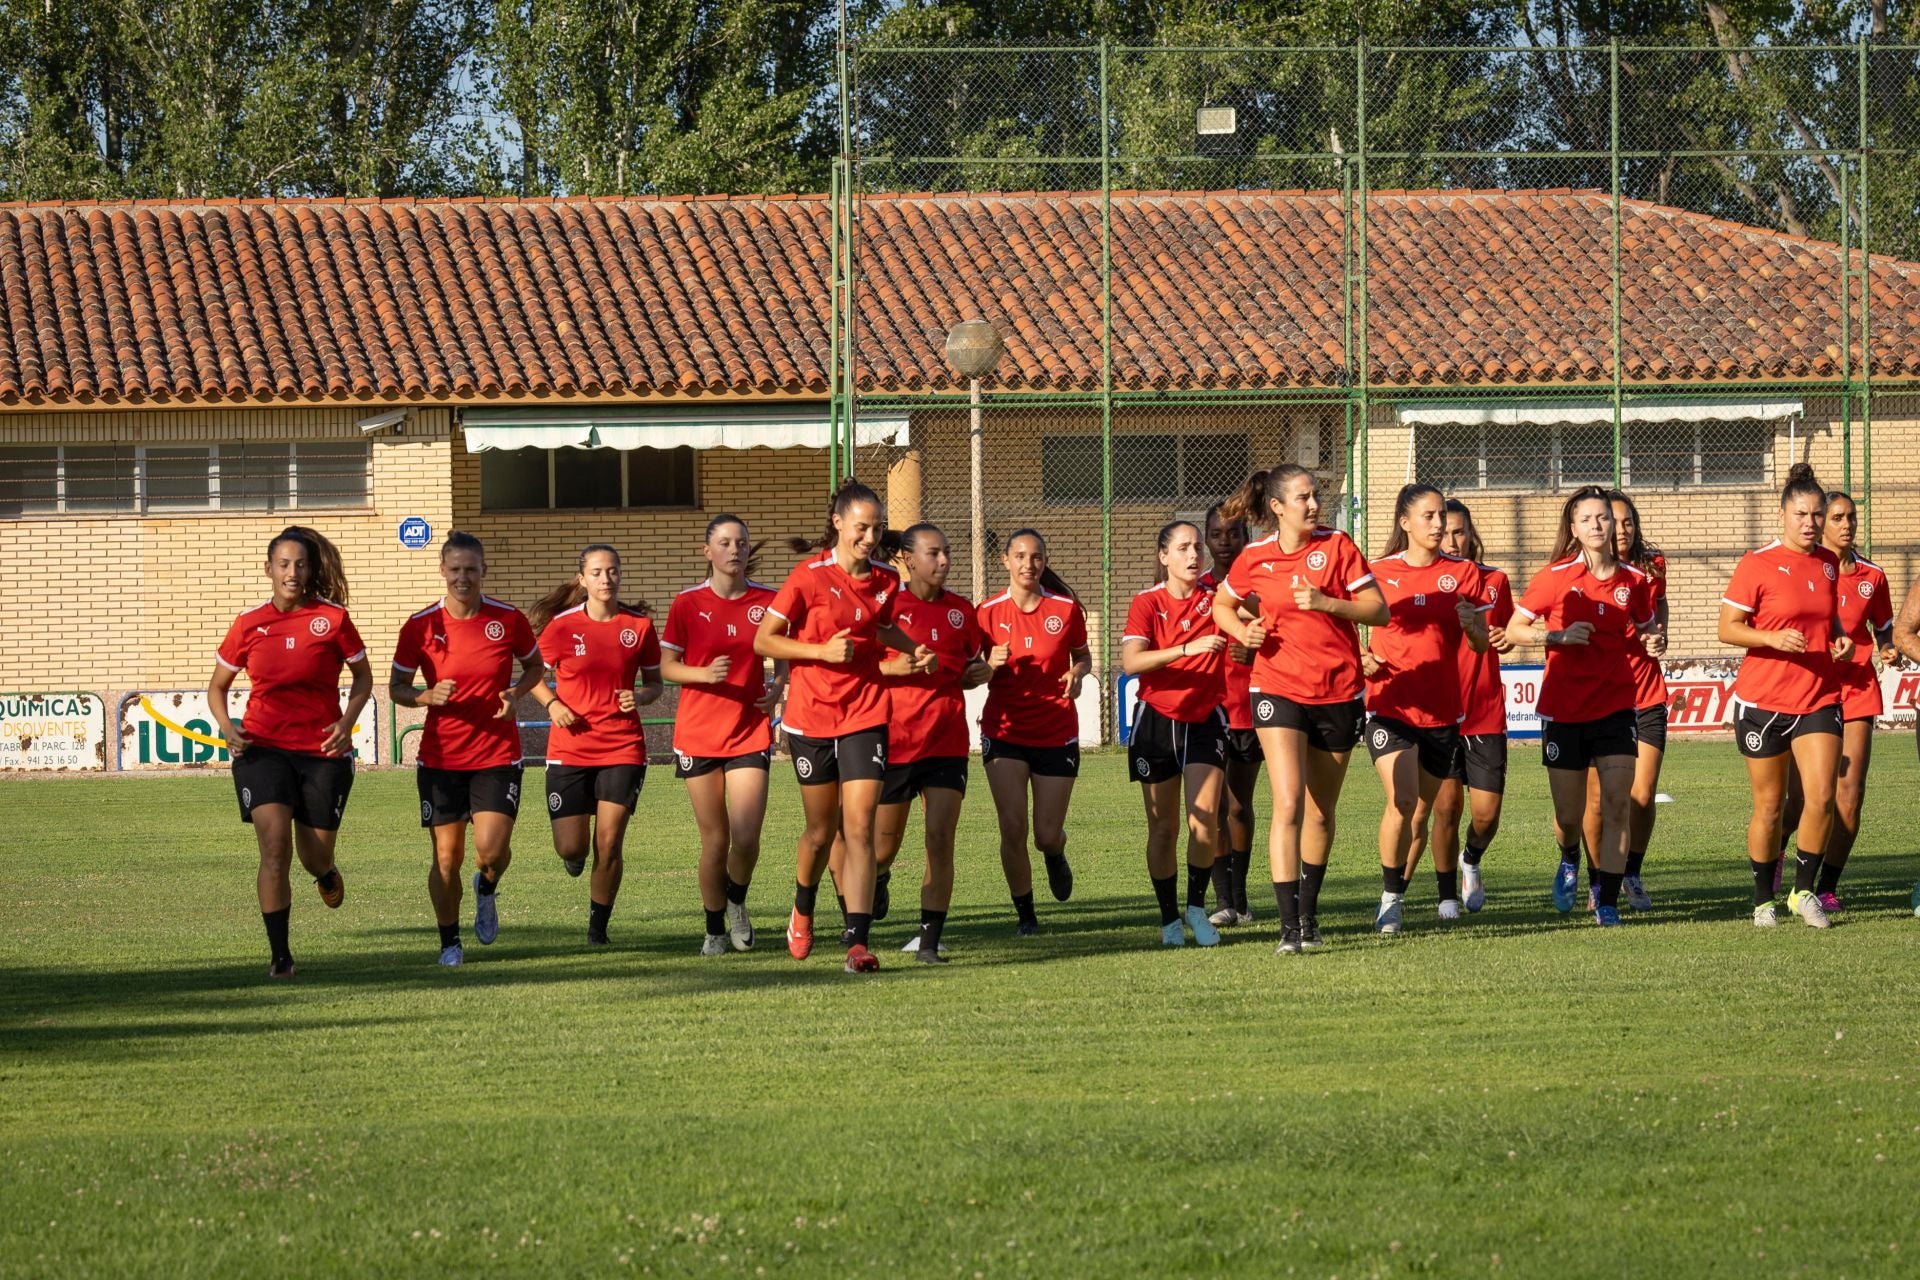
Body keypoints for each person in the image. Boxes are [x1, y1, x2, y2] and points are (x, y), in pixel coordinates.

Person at [754, 478, 934, 973]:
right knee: (819, 830)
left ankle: (857, 940)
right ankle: (803, 904)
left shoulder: (885, 580)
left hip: (866, 714)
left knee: (860, 829)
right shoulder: (806, 577)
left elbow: (877, 624)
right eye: (861, 527)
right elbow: (764, 642)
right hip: (811, 717)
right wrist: (819, 651)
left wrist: (908, 646)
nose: (870, 538)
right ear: (838, 523)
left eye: (877, 529)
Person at [1211, 464, 1387, 954]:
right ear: (1278, 507)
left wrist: (1327, 604)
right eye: (1304, 497)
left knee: (1320, 812)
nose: (1314, 504)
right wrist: (1241, 631)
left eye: (1317, 496)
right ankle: (1289, 930)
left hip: (1337, 692)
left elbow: (1379, 611)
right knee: (1286, 802)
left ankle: (1308, 916)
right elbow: (1222, 606)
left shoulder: (1339, 547)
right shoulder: (1254, 557)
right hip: (1276, 689)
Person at [208, 526, 372, 979]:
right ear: (269, 570)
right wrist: (227, 728)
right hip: (263, 750)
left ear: (311, 569)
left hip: (322, 751)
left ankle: (325, 873)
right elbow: (217, 688)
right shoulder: (248, 623)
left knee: (312, 856)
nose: (292, 572)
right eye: (283, 564)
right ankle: (281, 957)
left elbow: (363, 679)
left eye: (300, 564)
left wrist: (346, 723)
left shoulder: (333, 619)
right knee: (274, 848)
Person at [1504, 486, 1659, 927]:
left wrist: (1655, 640)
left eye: (1603, 517)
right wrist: (1555, 637)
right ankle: (1570, 855)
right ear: (1572, 528)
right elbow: (1515, 629)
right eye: (1586, 519)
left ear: (1613, 524)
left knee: (1616, 804)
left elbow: (1648, 629)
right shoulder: (1554, 577)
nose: (1596, 524)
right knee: (1569, 816)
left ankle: (1606, 900)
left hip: (1616, 708)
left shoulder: (1634, 580)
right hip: (1565, 711)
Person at [389, 532, 545, 966]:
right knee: (445, 857)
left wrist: (516, 693)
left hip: (497, 754)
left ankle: (488, 888)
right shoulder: (420, 626)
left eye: (471, 569)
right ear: (442, 571)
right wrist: (424, 697)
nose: (463, 577)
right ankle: (449, 943)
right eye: (455, 569)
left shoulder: (508, 619)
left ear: (483, 572)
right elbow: (396, 688)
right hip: (441, 758)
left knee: (489, 853)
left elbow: (535, 666)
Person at [1717, 465, 1855, 928]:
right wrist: (1772, 639)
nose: (1811, 523)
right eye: (1801, 514)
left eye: (1818, 514)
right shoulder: (1756, 562)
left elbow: (1828, 620)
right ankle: (1762, 900)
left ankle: (1803, 892)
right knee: (1771, 807)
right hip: (1763, 701)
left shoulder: (1828, 563)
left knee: (1820, 798)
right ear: (1783, 514)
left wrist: (1841, 639)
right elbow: (1727, 629)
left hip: (1819, 696)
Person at [1361, 485, 1489, 930]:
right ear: (1405, 523)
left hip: (1442, 713)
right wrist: (1359, 656)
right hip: (1389, 705)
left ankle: (1403, 888)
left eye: (1441, 517)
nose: (1438, 525)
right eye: (1429, 516)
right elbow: (1338, 621)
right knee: (1400, 799)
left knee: (1419, 812)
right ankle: (1389, 899)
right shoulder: (1376, 571)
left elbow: (1479, 641)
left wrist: (1474, 630)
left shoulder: (1465, 573)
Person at [659, 515, 784, 956]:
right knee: (715, 839)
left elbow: (783, 649)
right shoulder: (687, 603)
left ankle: (736, 902)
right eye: (725, 543)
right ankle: (713, 929)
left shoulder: (769, 601)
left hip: (749, 731)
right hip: (698, 734)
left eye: (742, 543)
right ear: (707, 551)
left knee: (746, 837)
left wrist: (779, 685)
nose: (735, 550)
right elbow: (667, 667)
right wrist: (702, 674)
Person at [529, 544, 663, 947]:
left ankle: (597, 928)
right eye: (598, 572)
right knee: (571, 846)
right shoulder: (562, 626)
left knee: (609, 842)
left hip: (622, 748)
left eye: (613, 571)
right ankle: (574, 857)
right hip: (569, 748)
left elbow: (656, 684)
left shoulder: (638, 626)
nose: (606, 579)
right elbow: (532, 673)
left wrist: (639, 697)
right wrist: (552, 703)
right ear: (582, 579)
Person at [871, 523, 990, 963]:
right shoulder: (887, 607)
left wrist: (978, 674)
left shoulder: (962, 610)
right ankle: (878, 876)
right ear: (907, 558)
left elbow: (969, 666)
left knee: (940, 837)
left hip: (947, 741)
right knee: (884, 848)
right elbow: (864, 667)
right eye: (933, 553)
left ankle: (929, 940)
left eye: (947, 553)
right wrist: (896, 669)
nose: (942, 561)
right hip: (895, 740)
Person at [1774, 489, 1896, 915]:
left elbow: (1884, 626)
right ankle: (1778, 856)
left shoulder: (1872, 575)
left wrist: (1886, 647)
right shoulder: (1807, 569)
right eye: (1838, 517)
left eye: (1851, 518)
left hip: (1858, 688)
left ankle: (1825, 885)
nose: (1847, 525)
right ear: (1822, 523)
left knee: (1849, 794)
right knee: (1800, 799)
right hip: (1810, 689)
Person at [978, 528, 1093, 936]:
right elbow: (968, 673)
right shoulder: (987, 612)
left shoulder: (1065, 609)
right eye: (1021, 556)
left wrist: (1077, 674)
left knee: (1045, 834)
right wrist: (989, 663)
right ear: (1005, 562)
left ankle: (1055, 853)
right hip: (1004, 731)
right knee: (1012, 825)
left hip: (1055, 731)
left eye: (1037, 557)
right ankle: (1026, 915)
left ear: (1044, 562)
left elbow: (1083, 655)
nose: (1029, 564)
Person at [1121, 520, 1228, 947]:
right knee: (1163, 829)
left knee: (1204, 824)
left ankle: (1197, 909)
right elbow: (1131, 662)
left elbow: (1255, 615)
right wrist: (1186, 649)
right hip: (1157, 722)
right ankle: (1169, 919)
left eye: (1197, 546)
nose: (1193, 554)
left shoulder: (1216, 598)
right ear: (1163, 556)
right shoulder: (1147, 602)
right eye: (1183, 547)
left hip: (1205, 719)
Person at [1407, 499, 1513, 914]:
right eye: (1444, 529)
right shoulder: (1423, 580)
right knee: (1445, 808)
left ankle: (1471, 859)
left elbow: (1506, 630)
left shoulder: (1494, 582)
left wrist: (1505, 635)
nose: (1450, 538)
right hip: (1440, 710)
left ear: (1471, 535)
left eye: (1459, 531)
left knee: (1486, 815)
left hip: (1484, 710)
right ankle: (1446, 894)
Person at [1579, 491, 1669, 912]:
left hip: (1647, 694)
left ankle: (1630, 872)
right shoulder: (1581, 573)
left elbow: (1658, 606)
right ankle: (1598, 881)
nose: (1621, 528)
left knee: (1642, 794)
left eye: (1629, 521)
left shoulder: (1651, 567)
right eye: (1614, 521)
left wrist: (1659, 634)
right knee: (1598, 800)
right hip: (1602, 698)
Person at [1203, 501, 1259, 926]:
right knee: (1216, 806)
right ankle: (1223, 900)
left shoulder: (1262, 588)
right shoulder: (1198, 588)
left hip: (1253, 711)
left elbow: (1289, 639)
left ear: (1247, 537)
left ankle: (1240, 897)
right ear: (1206, 540)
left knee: (1239, 807)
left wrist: (1255, 648)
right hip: (1209, 712)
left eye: (1234, 533)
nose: (1225, 542)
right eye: (1217, 534)